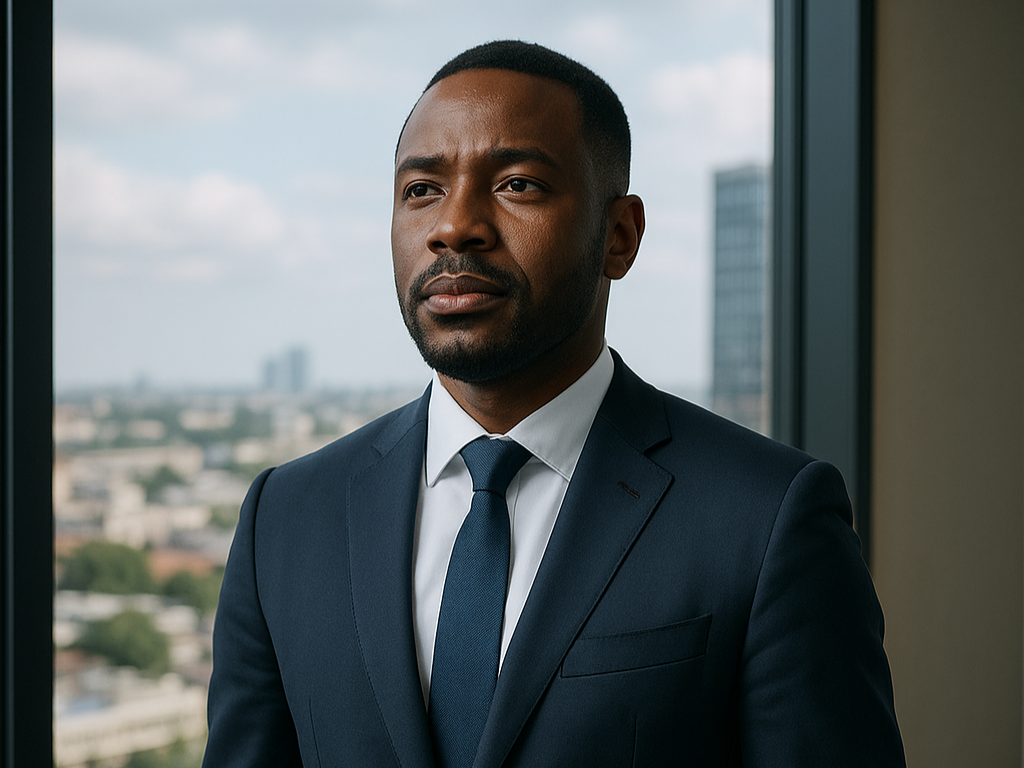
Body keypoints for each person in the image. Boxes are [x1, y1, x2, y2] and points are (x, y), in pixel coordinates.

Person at [203, 40, 905, 767]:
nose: (454, 225)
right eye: (422, 191)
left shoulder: (767, 518)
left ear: (620, 237)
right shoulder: (283, 520)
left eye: (517, 184)